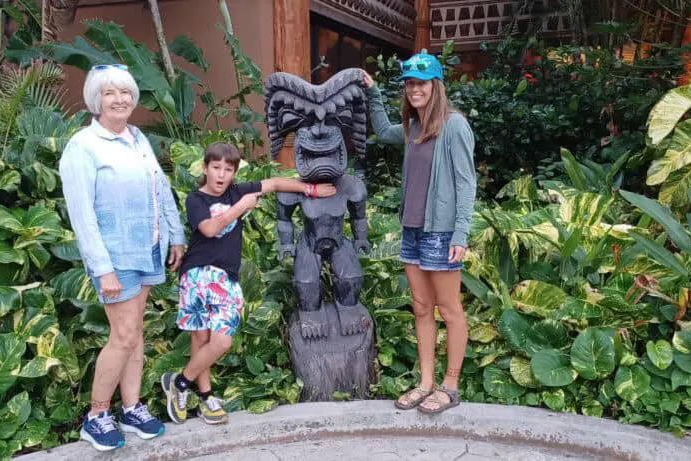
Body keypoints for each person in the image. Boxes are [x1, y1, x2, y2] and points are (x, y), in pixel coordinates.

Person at [160, 142, 336, 425]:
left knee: (222, 341)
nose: (221, 175)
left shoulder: (237, 191)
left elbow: (276, 182)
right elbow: (209, 228)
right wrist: (239, 208)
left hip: (225, 279)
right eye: (216, 168)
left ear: (233, 173)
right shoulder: (196, 199)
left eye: (228, 170)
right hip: (196, 275)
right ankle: (205, 396)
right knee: (201, 339)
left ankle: (179, 382)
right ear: (205, 168)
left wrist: (310, 189)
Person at [59, 64, 183, 451]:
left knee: (136, 334)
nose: (120, 99)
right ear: (97, 99)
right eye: (111, 93)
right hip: (114, 257)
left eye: (126, 92)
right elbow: (82, 214)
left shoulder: (137, 138)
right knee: (124, 335)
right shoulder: (83, 146)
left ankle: (131, 408)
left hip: (147, 247)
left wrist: (175, 234)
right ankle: (97, 415)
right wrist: (102, 268)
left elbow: (160, 188)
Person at [362, 52, 477, 414]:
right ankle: (426, 382)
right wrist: (372, 93)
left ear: (435, 85)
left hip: (441, 233)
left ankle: (451, 386)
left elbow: (466, 182)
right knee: (422, 308)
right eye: (410, 83)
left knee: (449, 309)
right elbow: (382, 132)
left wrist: (461, 233)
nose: (415, 89)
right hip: (412, 231)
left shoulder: (454, 126)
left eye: (421, 83)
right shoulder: (412, 128)